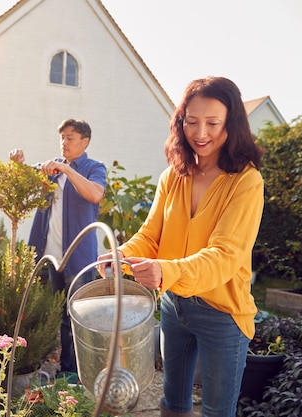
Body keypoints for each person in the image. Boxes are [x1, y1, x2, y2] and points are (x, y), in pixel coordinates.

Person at [97, 77, 264, 417]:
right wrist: (124, 253)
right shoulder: (173, 175)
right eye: (191, 121)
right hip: (175, 306)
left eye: (213, 123)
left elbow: (225, 256)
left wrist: (165, 270)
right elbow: (151, 234)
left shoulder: (246, 182)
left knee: (217, 411)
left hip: (223, 314)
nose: (200, 133)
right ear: (180, 121)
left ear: (231, 124)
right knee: (172, 404)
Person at [9, 118, 107, 380]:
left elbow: (95, 194)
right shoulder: (50, 168)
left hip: (78, 258)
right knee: (50, 315)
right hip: (50, 256)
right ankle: (45, 368)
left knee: (75, 318)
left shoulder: (94, 168)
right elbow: (25, 178)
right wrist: (19, 163)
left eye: (70, 137)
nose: (64, 142)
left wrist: (68, 170)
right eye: (62, 137)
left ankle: (71, 375)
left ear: (84, 142)